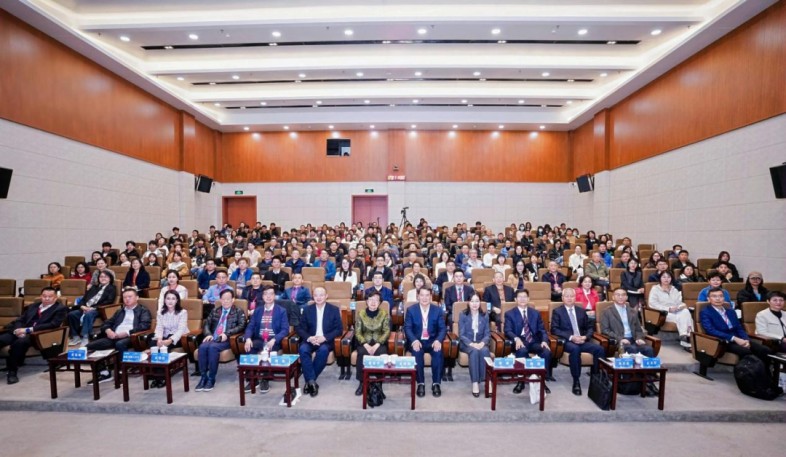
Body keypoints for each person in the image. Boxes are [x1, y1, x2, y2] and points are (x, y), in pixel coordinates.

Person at [0, 287, 67, 384]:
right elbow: (20, 320)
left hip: (37, 334)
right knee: (2, 339)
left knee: (19, 343)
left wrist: (27, 330)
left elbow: (53, 324)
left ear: (55, 298)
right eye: (44, 296)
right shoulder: (33, 306)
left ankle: (12, 372)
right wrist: (18, 330)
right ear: (40, 296)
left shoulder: (60, 308)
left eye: (50, 296)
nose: (47, 298)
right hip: (21, 331)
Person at [86, 287, 152, 384]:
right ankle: (104, 373)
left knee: (120, 344)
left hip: (131, 337)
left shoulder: (143, 311)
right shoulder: (120, 311)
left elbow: (144, 325)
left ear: (137, 297)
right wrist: (108, 330)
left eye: (130, 297)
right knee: (89, 346)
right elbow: (107, 323)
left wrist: (126, 333)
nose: (127, 299)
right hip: (114, 336)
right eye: (125, 297)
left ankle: (122, 372)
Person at [700, 287, 772, 370]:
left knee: (765, 350)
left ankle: (764, 373)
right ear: (708, 299)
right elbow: (710, 330)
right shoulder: (705, 312)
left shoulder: (731, 311)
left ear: (724, 298)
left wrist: (746, 340)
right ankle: (747, 375)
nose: (718, 299)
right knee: (745, 351)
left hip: (739, 338)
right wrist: (734, 338)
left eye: (720, 296)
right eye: (714, 296)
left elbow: (739, 328)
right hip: (723, 341)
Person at [550, 288, 605, 396]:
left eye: (572, 296)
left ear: (575, 298)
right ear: (562, 298)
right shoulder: (557, 311)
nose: (569, 298)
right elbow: (554, 329)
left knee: (599, 349)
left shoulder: (581, 311)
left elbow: (590, 327)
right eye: (567, 296)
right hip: (568, 341)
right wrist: (571, 337)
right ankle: (576, 381)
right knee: (575, 349)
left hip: (582, 340)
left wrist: (585, 337)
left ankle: (596, 378)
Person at [195, 289, 247, 392]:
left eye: (228, 299)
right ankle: (203, 377)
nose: (225, 301)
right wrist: (208, 334)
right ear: (220, 300)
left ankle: (211, 378)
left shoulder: (238, 311)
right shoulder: (215, 310)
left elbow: (242, 326)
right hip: (214, 338)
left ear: (233, 300)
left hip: (228, 339)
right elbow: (206, 324)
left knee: (212, 348)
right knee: (203, 346)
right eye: (223, 299)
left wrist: (227, 334)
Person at [504, 289, 554, 394]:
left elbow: (542, 330)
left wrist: (544, 341)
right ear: (515, 299)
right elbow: (508, 330)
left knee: (546, 352)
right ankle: (521, 381)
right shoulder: (510, 314)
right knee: (522, 351)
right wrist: (516, 339)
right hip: (520, 341)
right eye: (520, 297)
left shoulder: (535, 313)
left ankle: (542, 380)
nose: (522, 299)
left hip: (534, 341)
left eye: (525, 297)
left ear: (528, 299)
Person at [298, 286, 343, 397]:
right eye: (316, 295)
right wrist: (309, 338)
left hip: (325, 340)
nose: (318, 297)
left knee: (323, 350)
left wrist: (325, 337)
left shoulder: (333, 309)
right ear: (313, 297)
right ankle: (311, 382)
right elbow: (300, 328)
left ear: (326, 296)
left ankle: (309, 381)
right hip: (311, 339)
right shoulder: (307, 310)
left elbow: (339, 329)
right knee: (303, 349)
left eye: (321, 295)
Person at [243, 286, 289, 393]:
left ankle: (265, 378)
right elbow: (250, 326)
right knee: (250, 348)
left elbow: (285, 329)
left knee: (269, 351)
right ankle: (253, 379)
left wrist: (275, 339)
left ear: (274, 296)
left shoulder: (281, 311)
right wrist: (248, 338)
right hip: (259, 339)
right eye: (266, 294)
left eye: (271, 294)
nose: (268, 296)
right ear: (262, 296)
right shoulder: (258, 311)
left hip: (273, 341)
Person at [404, 288, 446, 398]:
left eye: (427, 295)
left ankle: (436, 383)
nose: (424, 298)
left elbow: (442, 329)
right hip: (418, 340)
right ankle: (420, 383)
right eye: (422, 295)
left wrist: (438, 340)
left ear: (431, 297)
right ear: (418, 296)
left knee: (438, 352)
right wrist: (414, 340)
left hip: (432, 341)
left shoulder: (437, 310)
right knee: (417, 353)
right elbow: (407, 328)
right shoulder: (411, 310)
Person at [149, 290, 189, 388]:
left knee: (164, 349)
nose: (170, 301)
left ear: (177, 301)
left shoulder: (183, 312)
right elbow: (159, 327)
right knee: (153, 345)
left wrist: (170, 340)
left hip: (179, 337)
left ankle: (162, 377)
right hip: (165, 335)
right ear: (164, 300)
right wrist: (159, 339)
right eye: (168, 298)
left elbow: (181, 329)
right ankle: (155, 376)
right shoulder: (160, 312)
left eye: (173, 299)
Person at [353, 291, 391, 396]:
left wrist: (378, 344)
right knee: (362, 353)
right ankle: (362, 382)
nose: (373, 302)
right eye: (370, 299)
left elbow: (386, 331)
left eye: (376, 300)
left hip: (379, 342)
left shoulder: (384, 314)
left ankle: (379, 384)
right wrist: (365, 344)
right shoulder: (361, 313)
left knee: (381, 353)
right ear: (366, 301)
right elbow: (357, 332)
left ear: (380, 302)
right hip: (364, 341)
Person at [68, 270, 117, 346]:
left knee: (89, 314)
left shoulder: (112, 288)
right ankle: (75, 336)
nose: (103, 278)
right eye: (101, 277)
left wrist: (93, 308)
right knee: (72, 314)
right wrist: (81, 306)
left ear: (110, 278)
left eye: (105, 277)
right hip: (86, 307)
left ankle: (85, 336)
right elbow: (84, 298)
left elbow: (109, 301)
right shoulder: (94, 287)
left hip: (99, 309)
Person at [648, 271, 693, 351]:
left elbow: (679, 302)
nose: (666, 279)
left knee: (685, 311)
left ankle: (684, 336)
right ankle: (687, 340)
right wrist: (668, 309)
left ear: (671, 279)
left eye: (668, 277)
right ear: (660, 278)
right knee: (685, 319)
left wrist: (682, 306)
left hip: (676, 311)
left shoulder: (674, 289)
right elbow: (652, 304)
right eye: (664, 277)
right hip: (663, 313)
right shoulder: (655, 289)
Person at [602, 289, 655, 357]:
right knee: (632, 349)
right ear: (613, 297)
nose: (621, 297)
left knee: (648, 349)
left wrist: (639, 338)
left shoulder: (632, 311)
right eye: (618, 295)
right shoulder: (607, 311)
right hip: (618, 340)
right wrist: (620, 339)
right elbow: (605, 330)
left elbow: (638, 329)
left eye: (623, 295)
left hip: (633, 339)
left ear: (626, 297)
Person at [458, 294, 491, 397]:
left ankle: (487, 381)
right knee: (474, 351)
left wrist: (482, 343)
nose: (474, 304)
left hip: (481, 342)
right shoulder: (463, 315)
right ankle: (475, 382)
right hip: (467, 343)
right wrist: (472, 344)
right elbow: (462, 335)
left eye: (477, 301)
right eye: (472, 301)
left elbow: (487, 334)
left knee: (485, 350)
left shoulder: (484, 315)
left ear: (480, 302)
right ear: (468, 302)